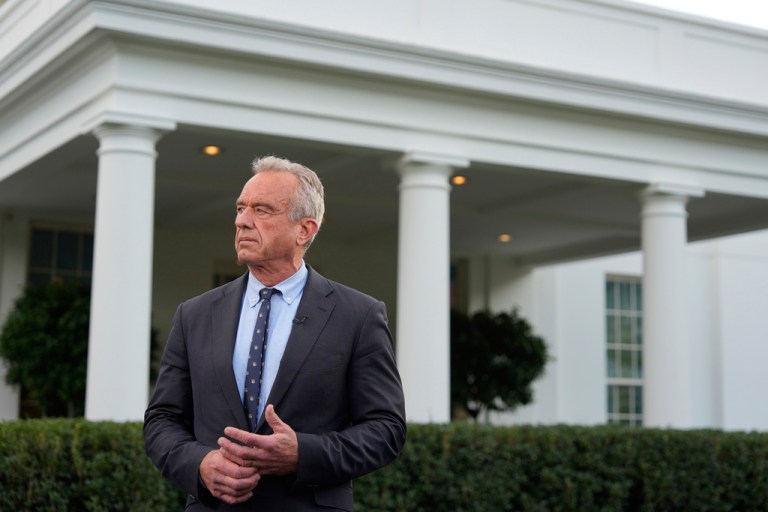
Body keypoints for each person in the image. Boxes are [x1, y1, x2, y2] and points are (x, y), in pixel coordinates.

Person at [144, 155, 407, 511]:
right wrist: (201, 464)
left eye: (261, 210)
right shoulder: (194, 315)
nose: (241, 220)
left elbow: (386, 429)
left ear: (305, 230)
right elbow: (162, 420)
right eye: (240, 208)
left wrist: (303, 454)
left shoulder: (358, 316)